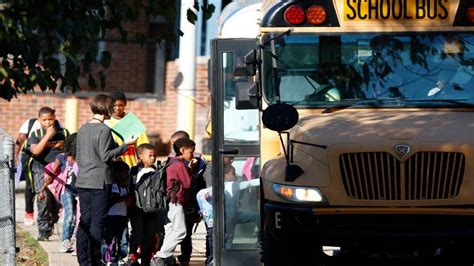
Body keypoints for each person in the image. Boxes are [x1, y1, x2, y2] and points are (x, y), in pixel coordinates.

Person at [75, 94, 136, 265]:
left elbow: (80, 155)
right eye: (112, 107)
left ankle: (84, 259)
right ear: (105, 109)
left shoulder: (83, 128)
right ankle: (95, 259)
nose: (114, 110)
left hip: (83, 180)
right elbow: (105, 156)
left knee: (84, 221)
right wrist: (126, 145)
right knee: (97, 222)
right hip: (100, 181)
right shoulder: (104, 130)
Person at [27, 107, 69, 241]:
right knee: (43, 200)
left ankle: (53, 220)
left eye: (50, 119)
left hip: (59, 170)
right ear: (39, 120)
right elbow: (35, 152)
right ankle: (43, 230)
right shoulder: (36, 134)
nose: (48, 123)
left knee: (57, 202)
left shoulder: (64, 133)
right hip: (41, 169)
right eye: (44, 120)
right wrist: (47, 136)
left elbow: (69, 150)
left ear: (55, 118)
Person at [152, 138, 196, 266]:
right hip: (175, 201)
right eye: (191, 152)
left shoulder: (170, 162)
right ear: (182, 150)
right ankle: (161, 256)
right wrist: (191, 169)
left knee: (171, 231)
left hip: (167, 202)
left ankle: (165, 258)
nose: (192, 155)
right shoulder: (179, 165)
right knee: (180, 231)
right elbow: (188, 183)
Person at [167, 130, 206, 266]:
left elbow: (193, 183)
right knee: (174, 231)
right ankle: (165, 256)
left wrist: (192, 169)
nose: (174, 148)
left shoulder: (198, 161)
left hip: (190, 202)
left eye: (175, 145)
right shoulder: (173, 160)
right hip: (177, 201)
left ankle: (184, 259)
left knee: (186, 234)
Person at [39, 133, 78, 253]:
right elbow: (50, 174)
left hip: (81, 192)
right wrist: (42, 189)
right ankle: (65, 241)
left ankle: (74, 241)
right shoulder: (62, 157)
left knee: (77, 218)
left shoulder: (84, 158)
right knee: (70, 215)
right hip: (66, 191)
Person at [128, 143, 163, 266]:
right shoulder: (133, 171)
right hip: (137, 209)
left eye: (155, 155)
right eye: (150, 156)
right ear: (140, 156)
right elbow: (130, 188)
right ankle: (132, 256)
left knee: (149, 235)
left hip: (153, 209)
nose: (153, 158)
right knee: (137, 233)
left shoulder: (158, 171)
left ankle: (145, 259)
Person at [105, 91, 149, 168]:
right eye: (114, 105)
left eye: (121, 105)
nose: (117, 108)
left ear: (125, 104)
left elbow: (143, 145)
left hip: (131, 164)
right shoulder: (105, 122)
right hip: (112, 165)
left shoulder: (132, 122)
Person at [102, 160, 132, 265]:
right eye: (125, 173)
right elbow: (115, 198)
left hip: (122, 217)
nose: (127, 175)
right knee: (110, 239)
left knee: (123, 240)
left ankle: (120, 257)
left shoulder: (124, 186)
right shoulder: (114, 186)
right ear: (116, 174)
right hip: (112, 217)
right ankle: (108, 258)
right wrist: (126, 198)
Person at [15, 117, 41, 226]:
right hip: (29, 158)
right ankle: (29, 212)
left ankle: (44, 216)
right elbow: (20, 140)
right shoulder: (30, 123)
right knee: (30, 186)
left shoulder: (56, 124)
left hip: (45, 158)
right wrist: (15, 157)